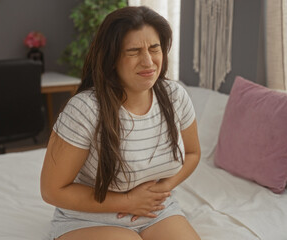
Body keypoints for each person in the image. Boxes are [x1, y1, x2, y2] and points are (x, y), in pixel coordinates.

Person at [40, 6, 201, 240]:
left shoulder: (175, 96)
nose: (148, 61)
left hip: (154, 211)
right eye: (134, 51)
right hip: (88, 219)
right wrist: (127, 201)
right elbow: (51, 190)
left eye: (154, 48)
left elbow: (193, 153)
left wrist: (160, 190)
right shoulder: (84, 109)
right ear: (111, 58)